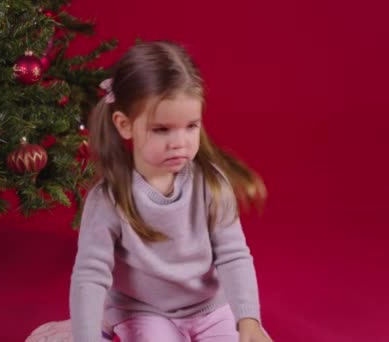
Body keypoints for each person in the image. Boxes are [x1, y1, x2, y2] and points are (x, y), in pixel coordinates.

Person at [26, 40, 271, 342]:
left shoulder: (210, 184)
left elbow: (234, 256)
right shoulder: (111, 197)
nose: (179, 142)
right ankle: (84, 328)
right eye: (162, 129)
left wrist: (248, 321)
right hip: (143, 311)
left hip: (209, 308)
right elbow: (91, 274)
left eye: (191, 126)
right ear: (125, 125)